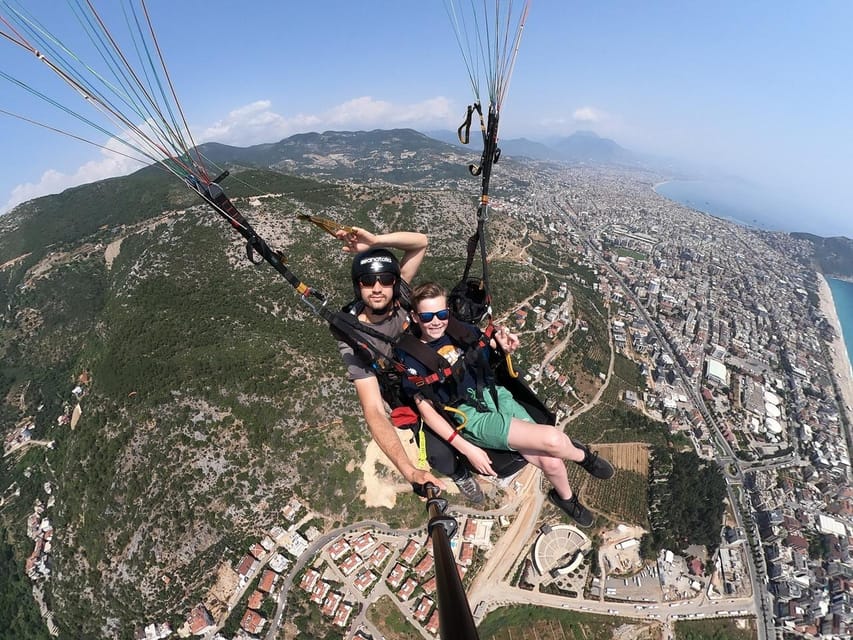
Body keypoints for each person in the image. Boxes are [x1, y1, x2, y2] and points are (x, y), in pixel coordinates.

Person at [398, 282, 615, 527]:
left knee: (552, 461)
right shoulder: (411, 357)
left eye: (442, 314)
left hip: (494, 394)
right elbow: (426, 410)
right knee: (553, 440)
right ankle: (582, 456)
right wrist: (467, 449)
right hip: (471, 416)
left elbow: (486, 346)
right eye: (427, 316)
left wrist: (503, 345)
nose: (436, 321)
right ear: (415, 317)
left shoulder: (458, 330)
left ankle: (566, 499)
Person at [333, 226, 486, 502]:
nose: (377, 288)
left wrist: (376, 241)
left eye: (384, 280)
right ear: (358, 286)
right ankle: (460, 473)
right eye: (368, 281)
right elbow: (374, 410)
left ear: (393, 282)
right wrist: (408, 470)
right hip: (409, 392)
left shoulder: (401, 295)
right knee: (439, 454)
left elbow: (420, 243)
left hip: (437, 366)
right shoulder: (354, 337)